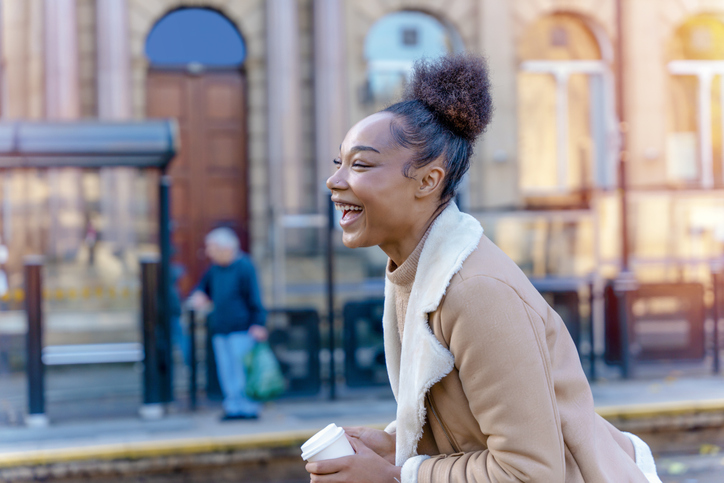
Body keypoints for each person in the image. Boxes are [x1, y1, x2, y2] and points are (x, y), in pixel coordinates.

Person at [306, 55, 661, 482]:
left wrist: (396, 477)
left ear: (427, 181)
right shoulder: (417, 272)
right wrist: (397, 445)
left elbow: (529, 472)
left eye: (360, 164)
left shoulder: (476, 291)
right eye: (338, 164)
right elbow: (472, 425)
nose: (336, 180)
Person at [189, 227, 267, 420]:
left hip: (241, 329)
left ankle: (248, 408)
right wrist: (198, 298)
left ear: (226, 248)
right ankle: (233, 407)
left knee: (242, 372)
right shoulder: (214, 269)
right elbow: (202, 290)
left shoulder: (245, 266)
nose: (208, 252)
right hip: (220, 329)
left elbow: (255, 297)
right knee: (227, 371)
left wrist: (259, 323)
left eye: (212, 248)